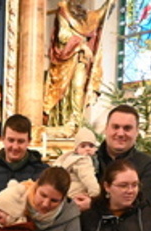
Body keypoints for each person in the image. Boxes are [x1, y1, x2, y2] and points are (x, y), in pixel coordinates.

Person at [43, 0, 112, 136]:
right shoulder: (64, 10)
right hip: (66, 61)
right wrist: (81, 45)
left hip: (81, 61)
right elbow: (63, 35)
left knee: (78, 87)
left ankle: (75, 122)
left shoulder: (86, 15)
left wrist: (108, 3)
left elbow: (98, 16)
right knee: (65, 92)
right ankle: (65, 122)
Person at [0, 114, 48, 212]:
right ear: (3, 139)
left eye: (20, 141)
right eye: (11, 140)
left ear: (29, 141)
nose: (15, 147)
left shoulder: (43, 173)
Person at [94, 105, 151, 209]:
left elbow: (146, 206)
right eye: (115, 127)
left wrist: (92, 204)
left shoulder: (148, 166)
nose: (120, 133)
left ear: (136, 132)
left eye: (127, 128)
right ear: (106, 129)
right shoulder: (88, 159)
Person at [55, 126, 101, 203]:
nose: (87, 149)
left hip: (69, 192)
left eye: (91, 146)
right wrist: (95, 193)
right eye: (83, 146)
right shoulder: (83, 161)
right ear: (76, 149)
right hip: (77, 194)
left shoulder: (71, 158)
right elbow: (88, 178)